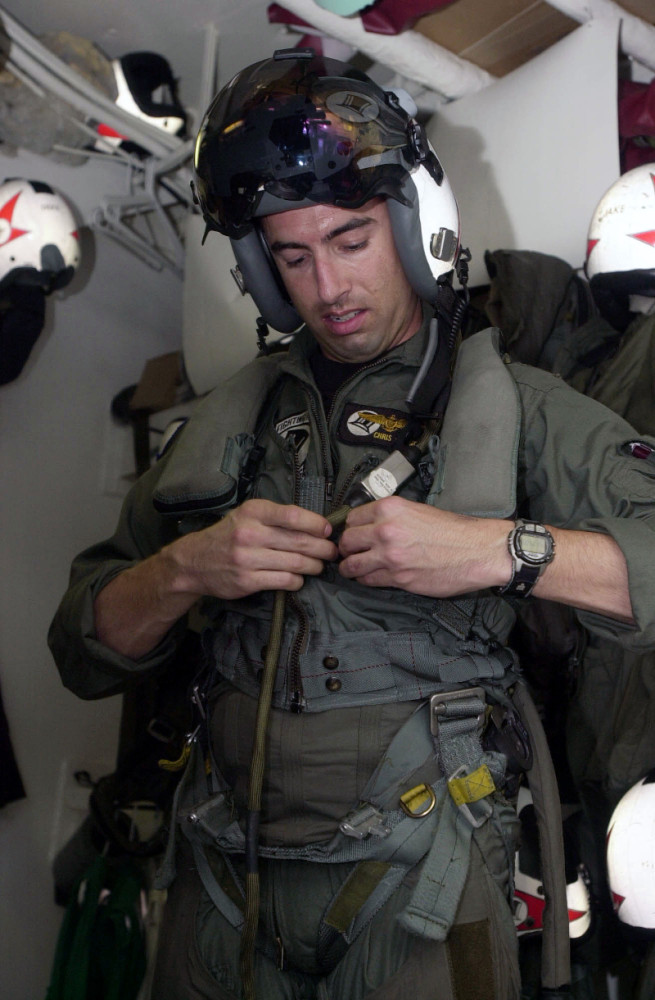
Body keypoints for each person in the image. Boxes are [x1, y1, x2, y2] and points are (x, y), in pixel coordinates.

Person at [48, 50, 655, 1000]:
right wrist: (186, 569)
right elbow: (80, 651)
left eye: (350, 238)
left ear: (411, 226)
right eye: (292, 257)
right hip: (220, 878)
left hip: (423, 876)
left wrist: (495, 551)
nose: (327, 285)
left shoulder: (520, 409)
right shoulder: (225, 426)